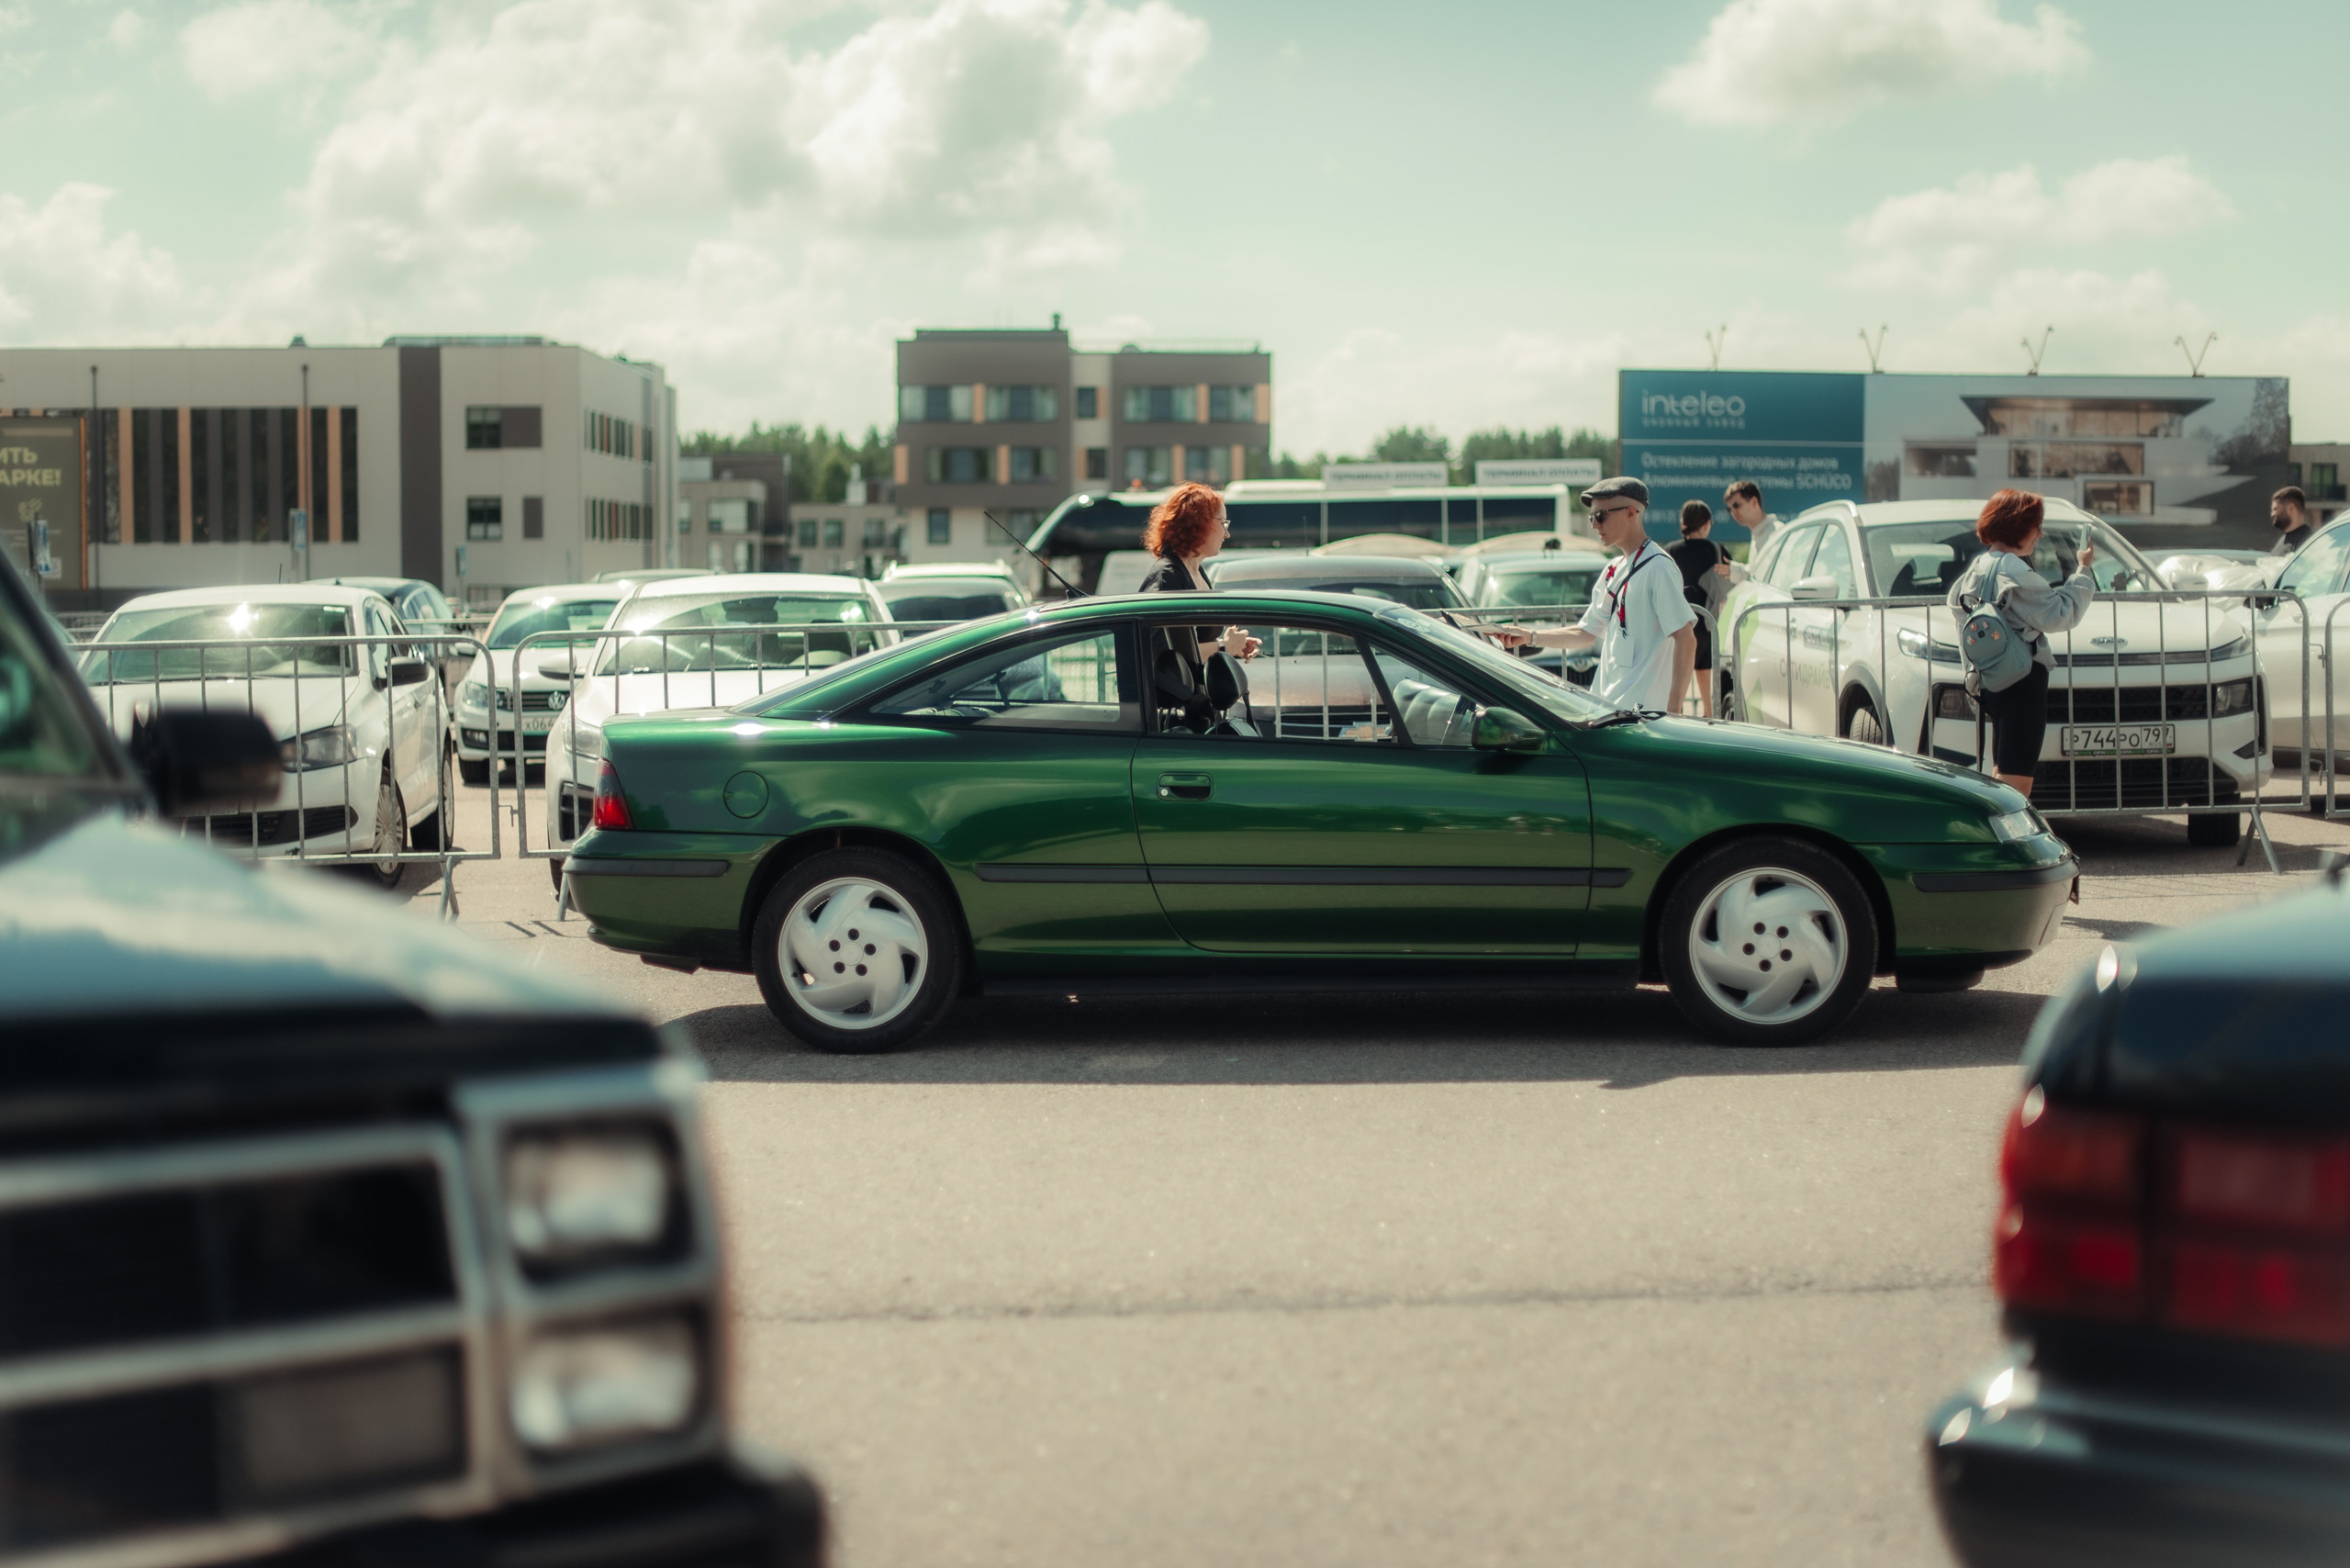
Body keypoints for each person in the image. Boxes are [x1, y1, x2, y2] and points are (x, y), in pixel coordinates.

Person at [1946, 488, 2094, 800]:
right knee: (2016, 788)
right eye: (2036, 526)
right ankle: (2003, 846)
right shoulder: (2015, 571)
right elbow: (2059, 615)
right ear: (2018, 527)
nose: (2039, 534)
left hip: (1991, 680)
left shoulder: (1978, 566)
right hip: (2022, 680)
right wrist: (2083, 571)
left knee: (2002, 776)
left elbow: (1960, 613)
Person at [1508, 477, 1695, 714]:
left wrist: (1674, 711)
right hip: (1607, 711)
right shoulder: (1613, 569)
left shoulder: (1659, 568)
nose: (1595, 525)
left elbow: (1686, 639)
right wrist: (1529, 636)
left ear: (1631, 513)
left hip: (1644, 717)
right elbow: (1585, 633)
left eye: (1601, 516)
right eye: (1591, 517)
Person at [1136, 483, 1259, 720]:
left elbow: (1191, 645)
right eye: (1223, 523)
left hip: (1194, 705)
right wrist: (1223, 647)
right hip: (1176, 712)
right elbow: (1160, 656)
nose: (1227, 534)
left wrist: (1230, 646)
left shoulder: (1195, 571)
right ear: (1199, 523)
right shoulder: (1168, 577)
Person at [1666, 499, 1730, 718]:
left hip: (1678, 625)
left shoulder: (1669, 551)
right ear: (1706, 525)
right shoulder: (1716, 549)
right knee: (1705, 676)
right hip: (1707, 623)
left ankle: (1675, 718)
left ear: (1683, 523)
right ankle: (1710, 717)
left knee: (1677, 681)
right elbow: (1732, 574)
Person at [1724, 478, 1777, 562]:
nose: (1733, 512)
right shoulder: (1757, 534)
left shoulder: (1776, 533)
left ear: (1754, 502)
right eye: (1729, 509)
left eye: (1736, 505)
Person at [2272, 485, 2316, 555]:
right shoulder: (2283, 539)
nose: (2272, 514)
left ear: (2291, 508)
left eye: (2275, 509)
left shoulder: (2308, 541)